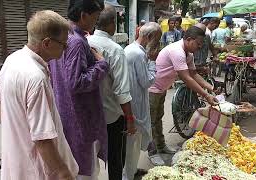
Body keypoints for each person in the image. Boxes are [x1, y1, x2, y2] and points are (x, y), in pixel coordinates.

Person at [0, 10, 79, 180]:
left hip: (15, 166)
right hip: (36, 171)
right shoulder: (36, 78)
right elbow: (42, 140)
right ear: (47, 43)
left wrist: (17, 127)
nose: (65, 49)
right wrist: (64, 174)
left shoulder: (12, 60)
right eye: (63, 44)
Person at [48, 1, 108, 179]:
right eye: (95, 17)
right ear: (83, 16)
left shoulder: (63, 36)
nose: (96, 22)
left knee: (75, 165)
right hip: (80, 117)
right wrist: (102, 65)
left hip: (66, 112)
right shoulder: (76, 41)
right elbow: (75, 83)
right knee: (84, 170)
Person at [148, 25, 219, 165]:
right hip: (152, 89)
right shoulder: (177, 51)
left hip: (162, 88)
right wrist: (206, 95)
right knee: (151, 121)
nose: (199, 47)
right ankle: (152, 152)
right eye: (197, 44)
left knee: (158, 118)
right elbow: (187, 78)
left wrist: (210, 87)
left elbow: (194, 74)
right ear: (188, 39)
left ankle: (161, 146)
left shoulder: (189, 55)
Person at [87, 4, 137, 180]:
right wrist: (130, 120)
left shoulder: (84, 43)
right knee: (116, 159)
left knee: (89, 160)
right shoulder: (115, 50)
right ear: (112, 24)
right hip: (112, 117)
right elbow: (122, 91)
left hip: (88, 114)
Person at [123, 22, 162, 180]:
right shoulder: (139, 54)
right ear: (150, 37)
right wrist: (153, 61)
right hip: (135, 104)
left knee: (133, 144)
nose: (158, 44)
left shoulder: (132, 49)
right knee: (133, 144)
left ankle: (131, 171)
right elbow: (147, 81)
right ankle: (128, 176)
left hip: (134, 101)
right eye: (157, 39)